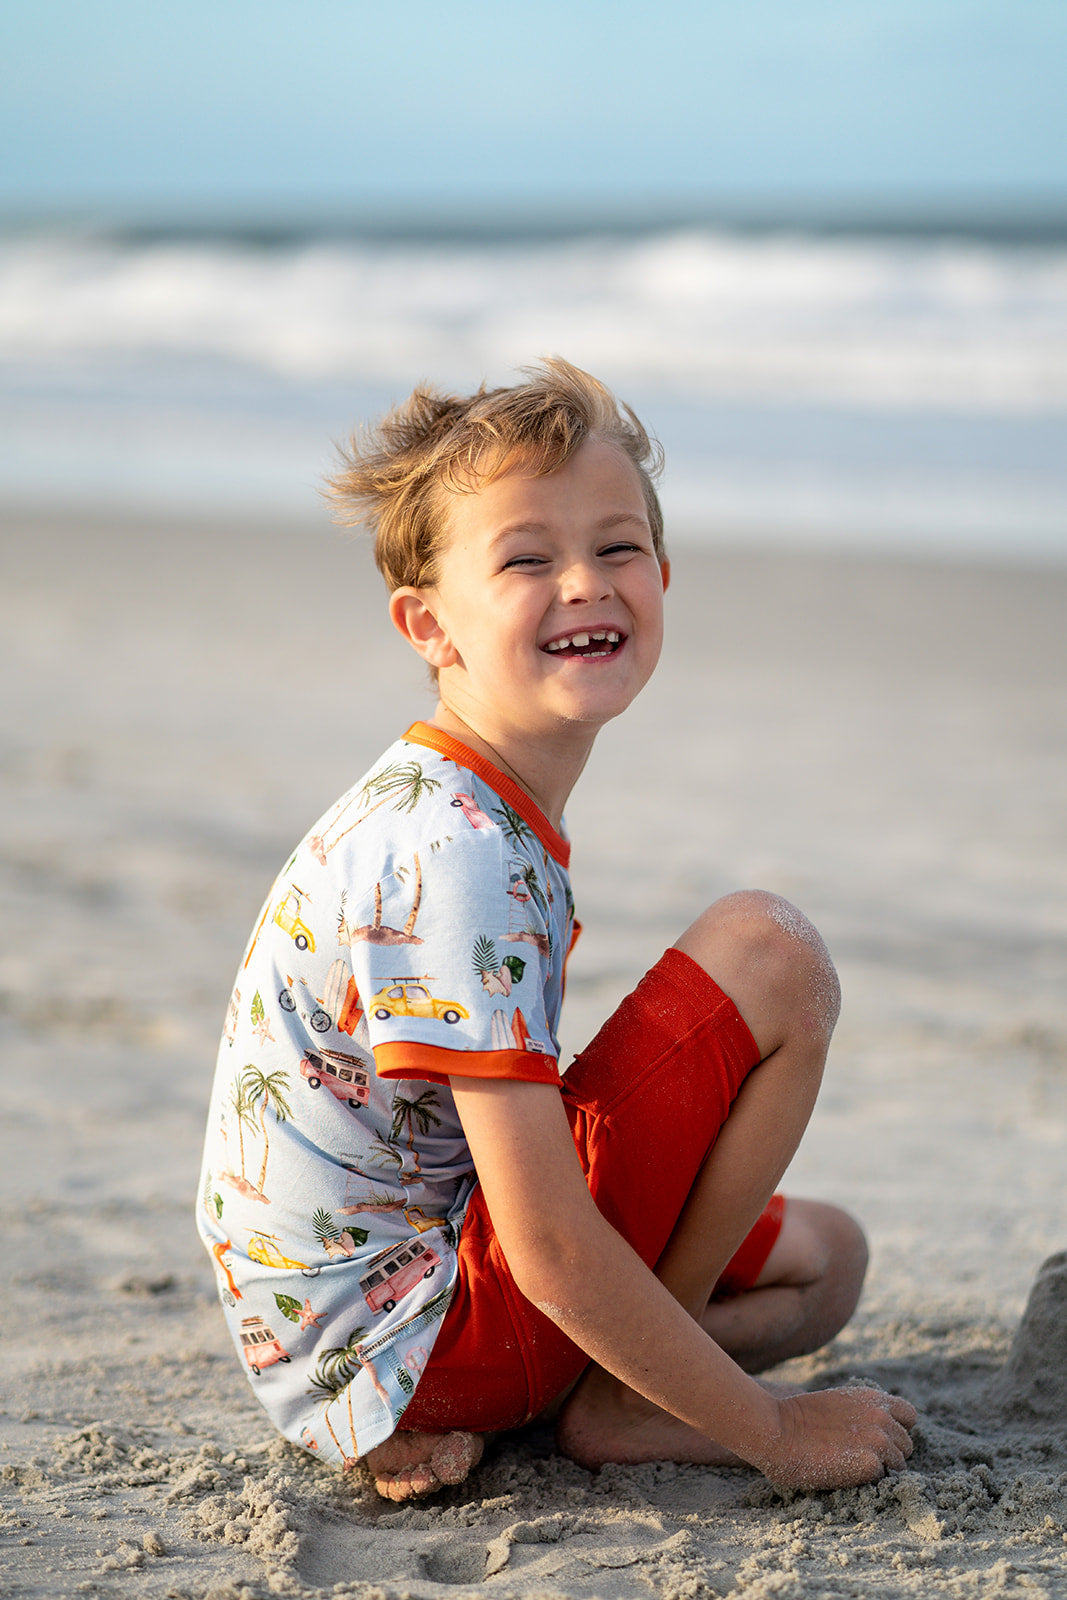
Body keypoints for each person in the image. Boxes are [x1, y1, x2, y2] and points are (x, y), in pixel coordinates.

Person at [196, 358, 915, 1503]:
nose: (584, 581)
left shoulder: (460, 800)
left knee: (826, 1267)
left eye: (616, 547)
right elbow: (549, 1248)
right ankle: (622, 1405)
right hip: (419, 1333)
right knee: (768, 950)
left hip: (372, 1342)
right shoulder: (456, 852)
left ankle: (601, 1392)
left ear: (663, 578)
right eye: (526, 558)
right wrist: (767, 1430)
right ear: (429, 624)